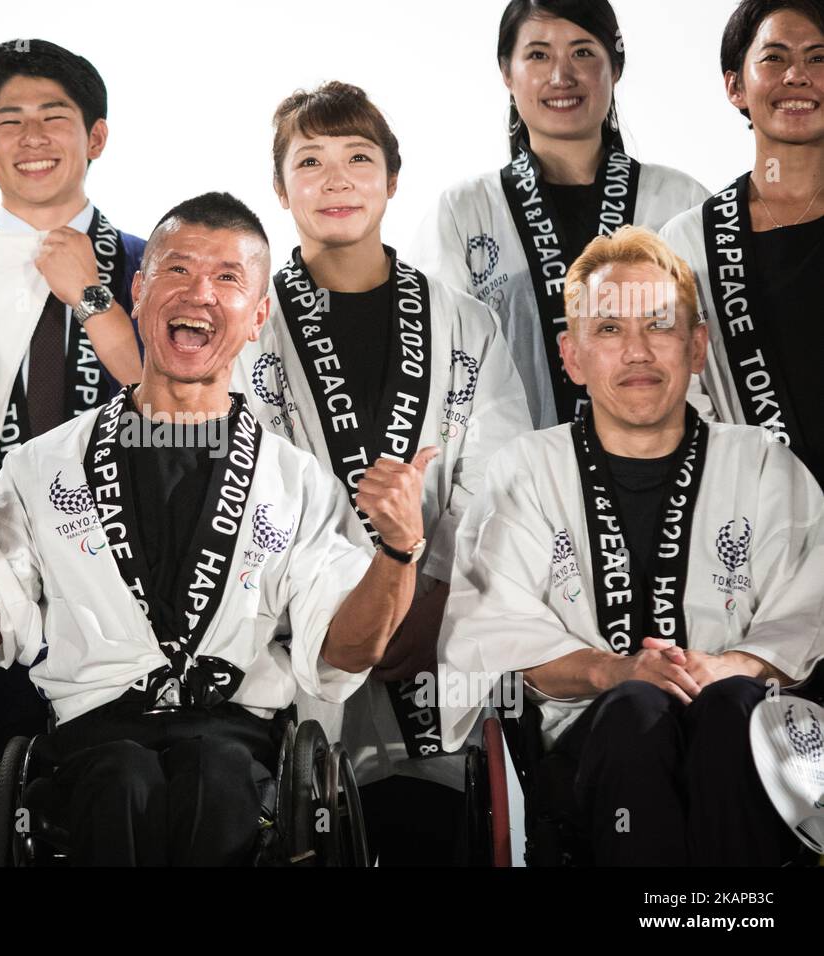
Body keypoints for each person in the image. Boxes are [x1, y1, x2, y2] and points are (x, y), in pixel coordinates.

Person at [0, 193, 431, 866]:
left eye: (228, 278)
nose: (199, 292)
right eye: (177, 270)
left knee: (214, 777)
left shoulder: (294, 482)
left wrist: (397, 551)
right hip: (91, 745)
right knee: (121, 778)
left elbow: (350, 650)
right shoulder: (43, 466)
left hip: (243, 749)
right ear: (140, 289)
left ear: (258, 314)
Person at [437, 226, 824, 866]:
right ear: (572, 355)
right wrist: (616, 671)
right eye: (609, 330)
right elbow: (492, 633)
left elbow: (808, 616)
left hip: (737, 728)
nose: (638, 352)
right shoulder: (525, 470)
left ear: (698, 345)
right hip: (588, 748)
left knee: (731, 706)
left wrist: (731, 667)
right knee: (637, 709)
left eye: (660, 327)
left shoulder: (762, 465)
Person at [235, 81, 531, 865]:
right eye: (311, 161)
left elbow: (498, 480)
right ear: (279, 187)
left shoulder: (464, 319)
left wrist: (429, 598)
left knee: (422, 828)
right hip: (293, 634)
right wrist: (336, 604)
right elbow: (233, 484)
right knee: (302, 824)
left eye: (358, 158)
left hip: (430, 633)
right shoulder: (246, 322)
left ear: (393, 179)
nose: (336, 181)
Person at [0, 38, 148, 866]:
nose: (33, 136)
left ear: (95, 137)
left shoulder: (159, 265)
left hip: (133, 605)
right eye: (9, 120)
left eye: (55, 116)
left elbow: (189, 407)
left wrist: (93, 297)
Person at [414, 0, 708, 429]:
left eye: (583, 52)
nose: (560, 76)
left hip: (663, 474)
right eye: (537, 55)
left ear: (616, 68)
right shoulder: (463, 213)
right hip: (513, 480)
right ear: (506, 72)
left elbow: (713, 359)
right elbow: (442, 369)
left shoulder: (679, 203)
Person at [660, 0, 824, 487]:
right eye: (774, 57)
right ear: (735, 86)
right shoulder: (691, 240)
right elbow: (684, 399)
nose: (798, 75)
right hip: (760, 525)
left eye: (819, 57)